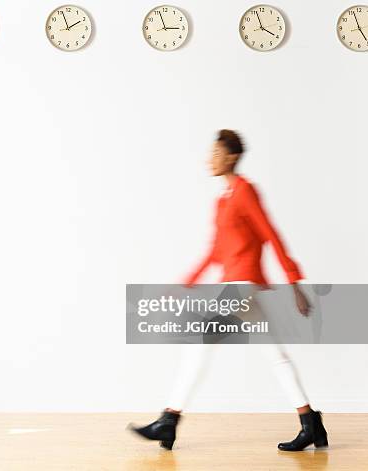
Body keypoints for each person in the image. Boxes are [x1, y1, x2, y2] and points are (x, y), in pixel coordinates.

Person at [129, 130, 328, 452]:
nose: (209, 159)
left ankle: (169, 420)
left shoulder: (246, 191)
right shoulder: (221, 201)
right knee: (275, 355)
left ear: (231, 157)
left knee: (198, 341)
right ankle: (311, 425)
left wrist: (294, 282)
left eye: (215, 153)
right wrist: (186, 282)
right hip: (233, 284)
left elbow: (270, 234)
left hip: (243, 283)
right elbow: (216, 250)